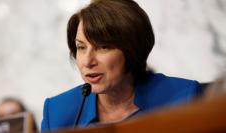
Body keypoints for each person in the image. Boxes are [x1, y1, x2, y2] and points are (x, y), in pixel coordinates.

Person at [41, 0, 202, 131]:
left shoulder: (183, 98)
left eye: (103, 47)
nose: (88, 61)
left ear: (132, 49)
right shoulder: (56, 112)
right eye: (81, 47)